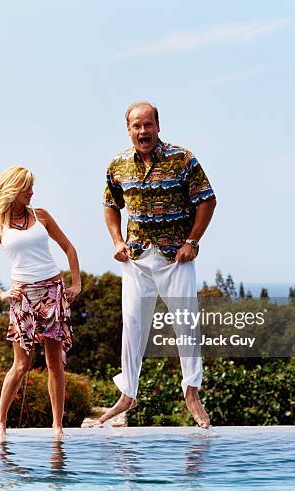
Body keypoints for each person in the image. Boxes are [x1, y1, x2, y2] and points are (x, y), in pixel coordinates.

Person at [99, 101, 216, 428]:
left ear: (158, 126)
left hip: (175, 257)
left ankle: (192, 392)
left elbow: (207, 200)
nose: (142, 131)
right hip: (136, 258)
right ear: (128, 129)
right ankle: (128, 392)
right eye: (136, 126)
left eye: (147, 125)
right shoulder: (118, 165)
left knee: (186, 323)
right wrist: (116, 241)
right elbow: (111, 206)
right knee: (132, 324)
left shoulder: (182, 159)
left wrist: (192, 241)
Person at [0, 166, 81, 441]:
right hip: (22, 297)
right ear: (13, 189)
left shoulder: (41, 215)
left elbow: (69, 248)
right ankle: (0, 420)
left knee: (55, 363)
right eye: (27, 188)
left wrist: (76, 283)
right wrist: (0, 293)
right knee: (21, 364)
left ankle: (57, 426)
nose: (32, 192)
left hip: (53, 291)